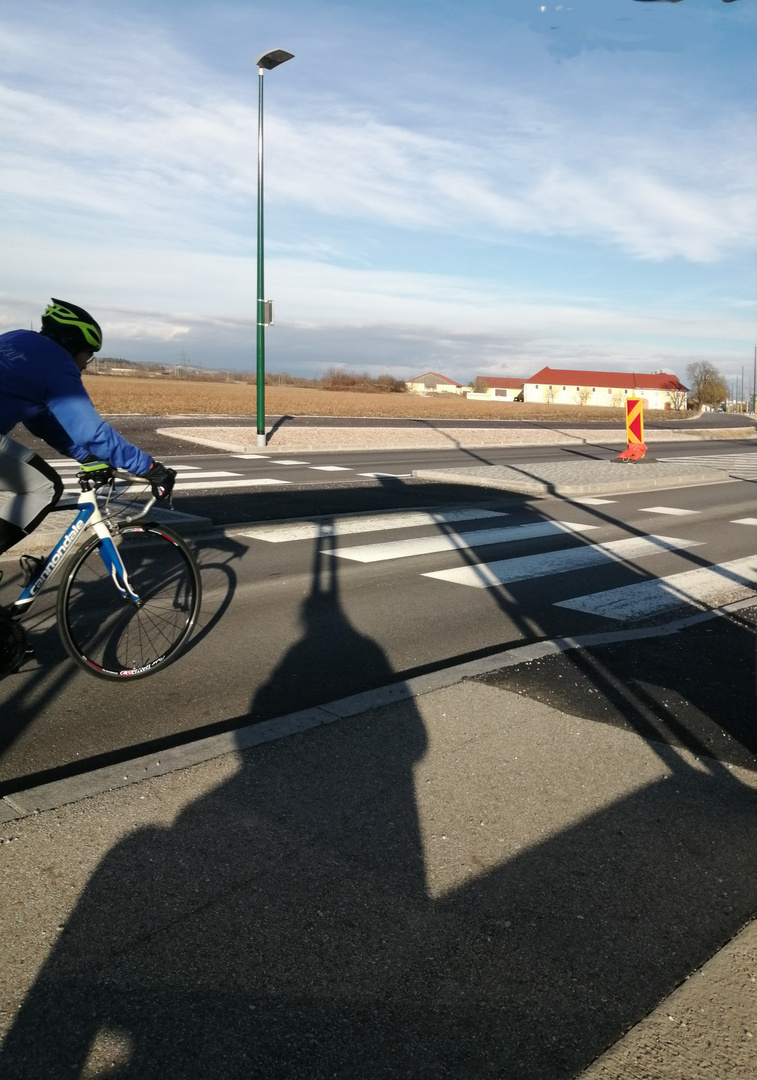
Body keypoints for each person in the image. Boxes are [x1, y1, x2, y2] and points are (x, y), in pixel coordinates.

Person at [0, 297, 176, 562]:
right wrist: (150, 468)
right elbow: (92, 433)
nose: (85, 364)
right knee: (45, 487)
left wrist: (86, 457)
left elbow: (41, 420)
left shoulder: (16, 338)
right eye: (89, 354)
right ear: (73, 346)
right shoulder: (57, 364)